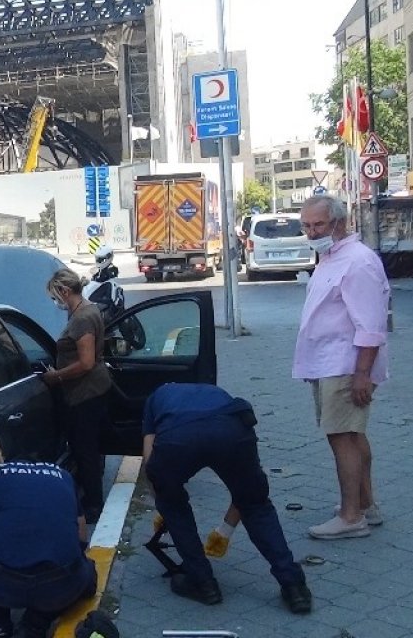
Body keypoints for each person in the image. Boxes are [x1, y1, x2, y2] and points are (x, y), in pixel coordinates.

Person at [142, 382, 313, 614]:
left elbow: (149, 462)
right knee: (256, 505)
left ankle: (203, 583)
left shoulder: (155, 398)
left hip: (178, 436)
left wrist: (163, 500)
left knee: (173, 504)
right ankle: (294, 587)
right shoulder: (216, 393)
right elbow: (246, 495)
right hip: (231, 430)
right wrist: (225, 530)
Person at [295, 195, 389, 540]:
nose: (311, 232)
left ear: (339, 222)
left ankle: (351, 517)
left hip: (345, 365)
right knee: (352, 433)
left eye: (318, 224)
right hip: (329, 363)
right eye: (306, 225)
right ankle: (365, 504)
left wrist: (362, 374)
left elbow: (371, 325)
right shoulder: (331, 257)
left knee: (342, 437)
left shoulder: (358, 262)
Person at [0, 454, 98, 638]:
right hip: (60, 585)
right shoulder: (63, 476)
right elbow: (81, 536)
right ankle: (35, 624)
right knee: (86, 573)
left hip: (2, 583)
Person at [40, 268, 112, 524]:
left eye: (55, 296)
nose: (55, 302)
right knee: (90, 447)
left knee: (85, 449)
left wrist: (56, 376)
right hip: (94, 389)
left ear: (65, 291)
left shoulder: (82, 318)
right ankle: (91, 493)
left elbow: (86, 363)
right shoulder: (89, 309)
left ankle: (93, 505)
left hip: (85, 393)